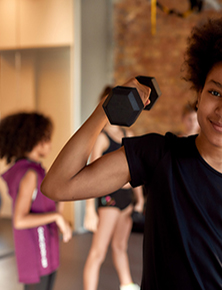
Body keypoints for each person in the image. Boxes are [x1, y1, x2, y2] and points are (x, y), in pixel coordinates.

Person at [42, 14, 222, 289]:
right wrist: (105, 109)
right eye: (215, 93)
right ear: (198, 95)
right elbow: (58, 185)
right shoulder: (159, 154)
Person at [0, 112, 72, 290]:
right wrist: (56, 218)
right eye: (48, 138)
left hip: (47, 246)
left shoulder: (37, 170)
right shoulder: (29, 174)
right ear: (36, 140)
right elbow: (20, 220)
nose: (50, 144)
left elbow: (49, 204)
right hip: (35, 251)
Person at [83, 86, 144, 290]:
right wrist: (90, 211)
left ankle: (127, 285)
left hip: (127, 197)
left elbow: (135, 170)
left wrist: (140, 198)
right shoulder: (101, 138)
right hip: (109, 198)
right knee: (98, 252)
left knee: (120, 246)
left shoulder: (129, 134)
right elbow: (90, 176)